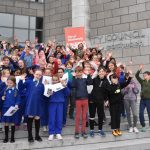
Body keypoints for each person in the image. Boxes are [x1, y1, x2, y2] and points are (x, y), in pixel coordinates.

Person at [18, 69, 44, 142]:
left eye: (40, 75)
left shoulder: (42, 85)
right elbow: (20, 88)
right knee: (30, 118)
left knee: (37, 119)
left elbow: (44, 95)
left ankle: (37, 135)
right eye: (37, 74)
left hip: (38, 104)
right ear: (34, 74)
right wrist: (20, 80)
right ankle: (30, 136)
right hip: (30, 103)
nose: (38, 76)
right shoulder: (29, 82)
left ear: (41, 76)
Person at [72, 66, 92, 139]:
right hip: (78, 100)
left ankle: (83, 131)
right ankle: (76, 132)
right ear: (75, 73)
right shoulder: (75, 80)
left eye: (80, 72)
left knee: (84, 117)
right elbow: (73, 85)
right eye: (77, 72)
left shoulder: (84, 79)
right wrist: (74, 77)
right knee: (77, 117)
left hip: (85, 99)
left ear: (82, 72)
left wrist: (88, 74)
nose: (79, 73)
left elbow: (90, 82)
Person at [48, 75, 70, 140]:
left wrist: (65, 86)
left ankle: (58, 133)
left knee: (59, 118)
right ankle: (51, 133)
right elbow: (47, 96)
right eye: (53, 80)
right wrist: (49, 92)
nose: (54, 81)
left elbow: (68, 93)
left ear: (58, 80)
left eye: (56, 80)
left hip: (60, 103)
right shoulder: (50, 86)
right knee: (52, 118)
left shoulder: (62, 86)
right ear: (51, 80)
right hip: (52, 104)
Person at [89, 67, 108, 137]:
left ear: (105, 73)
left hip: (100, 101)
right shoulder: (94, 79)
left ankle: (100, 130)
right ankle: (91, 130)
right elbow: (89, 82)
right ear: (98, 73)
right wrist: (93, 75)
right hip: (92, 100)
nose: (101, 72)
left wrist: (107, 100)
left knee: (100, 116)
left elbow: (108, 91)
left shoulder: (106, 81)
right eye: (100, 71)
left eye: (103, 71)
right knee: (92, 116)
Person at [0, 76, 20, 143]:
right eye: (8, 83)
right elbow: (1, 95)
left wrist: (17, 104)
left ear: (14, 83)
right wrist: (2, 97)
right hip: (5, 108)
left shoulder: (16, 91)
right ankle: (6, 137)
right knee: (6, 123)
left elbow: (18, 99)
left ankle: (12, 137)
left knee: (12, 123)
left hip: (13, 109)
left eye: (11, 83)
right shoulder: (5, 90)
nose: (9, 84)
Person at [135, 64, 150, 132]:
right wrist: (140, 69)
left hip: (149, 100)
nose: (144, 76)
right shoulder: (142, 82)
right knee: (141, 113)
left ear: (149, 75)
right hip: (143, 100)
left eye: (145, 75)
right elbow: (136, 76)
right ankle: (143, 125)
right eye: (143, 75)